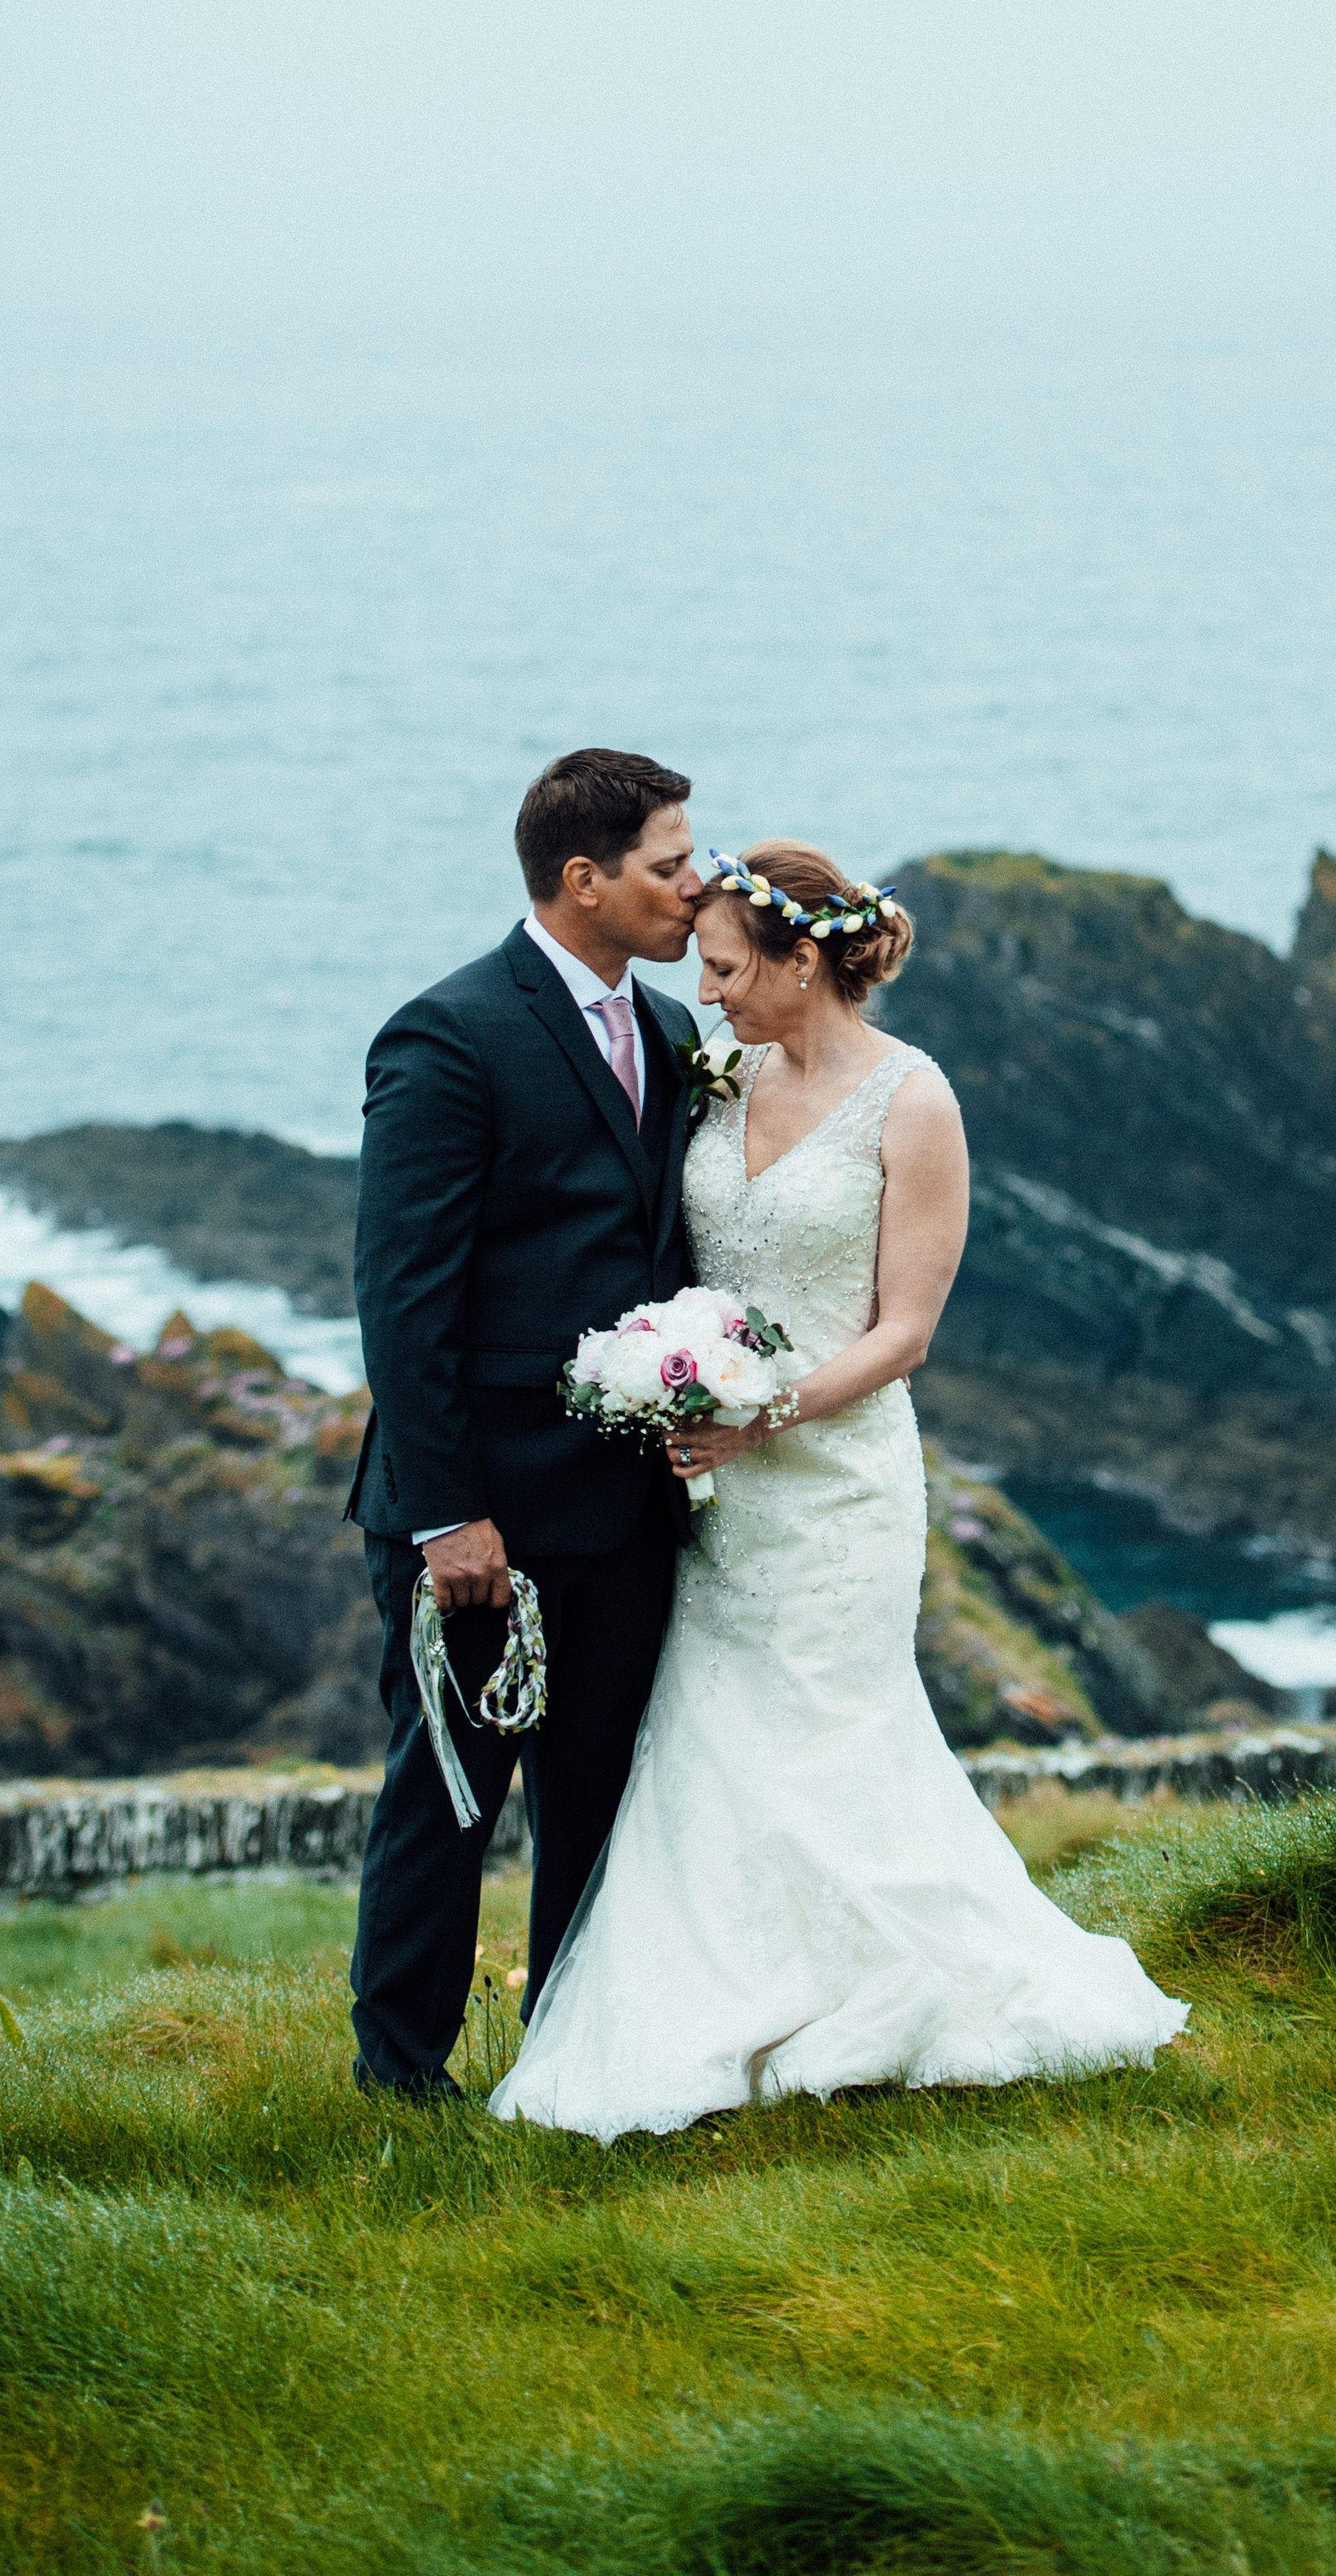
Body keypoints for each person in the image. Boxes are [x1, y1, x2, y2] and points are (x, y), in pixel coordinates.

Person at [490, 836, 1188, 2137]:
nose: (706, 991)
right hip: (713, 1487)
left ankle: (903, 1988)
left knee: (833, 1729)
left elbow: (905, 1329)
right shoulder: (718, 1076)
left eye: (728, 967)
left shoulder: (914, 1102)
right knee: (713, 1736)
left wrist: (766, 1412)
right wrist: (672, 1383)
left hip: (839, 1482)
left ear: (803, 961)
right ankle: (737, 1991)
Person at [345, 746, 702, 2099]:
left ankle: (570, 2065)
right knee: (446, 1797)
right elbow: (402, 1292)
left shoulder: (671, 1036)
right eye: (669, 864)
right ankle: (401, 2078)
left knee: (597, 1806)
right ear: (582, 879)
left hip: (624, 1507)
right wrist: (447, 1514)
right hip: (477, 1514)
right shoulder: (447, 1034)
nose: (695, 886)